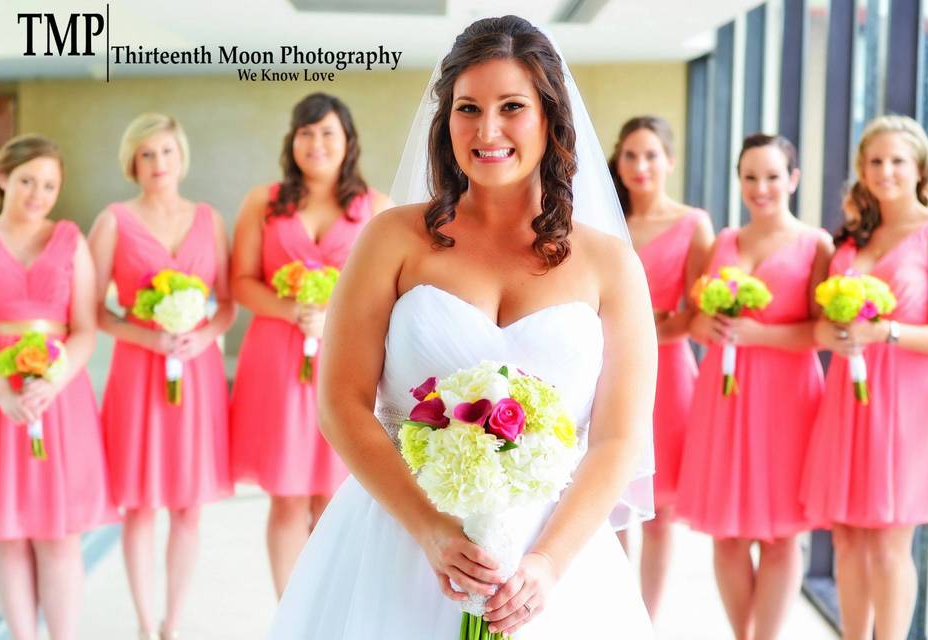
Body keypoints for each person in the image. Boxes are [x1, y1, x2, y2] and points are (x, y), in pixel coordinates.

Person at [267, 15, 657, 639]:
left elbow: (618, 437)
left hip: (551, 561)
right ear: (444, 119)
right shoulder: (391, 239)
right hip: (400, 539)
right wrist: (431, 529)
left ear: (551, 119)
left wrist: (548, 566)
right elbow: (341, 402)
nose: (488, 130)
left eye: (512, 107)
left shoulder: (610, 265)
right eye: (467, 108)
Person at [229, 93, 391, 597]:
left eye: (327, 133)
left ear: (347, 142)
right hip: (276, 357)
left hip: (344, 357)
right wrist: (290, 311)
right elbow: (241, 280)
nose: (316, 143)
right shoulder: (264, 202)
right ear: (292, 141)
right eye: (306, 132)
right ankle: (288, 611)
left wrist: (334, 319)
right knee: (285, 494)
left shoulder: (376, 207)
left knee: (332, 493)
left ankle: (326, 608)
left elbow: (386, 291)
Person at [676, 134, 831, 640]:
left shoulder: (816, 244)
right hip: (724, 397)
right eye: (750, 177)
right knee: (727, 535)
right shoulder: (722, 242)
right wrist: (710, 328)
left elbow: (821, 330)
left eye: (771, 176)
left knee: (783, 535)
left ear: (793, 178)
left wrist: (761, 333)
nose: (760, 188)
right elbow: (695, 321)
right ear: (739, 180)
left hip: (788, 397)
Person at [88, 113, 236, 640]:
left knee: (188, 506)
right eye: (147, 154)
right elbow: (94, 312)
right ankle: (144, 623)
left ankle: (174, 621)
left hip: (196, 376)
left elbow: (227, 306)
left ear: (181, 157)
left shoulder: (208, 219)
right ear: (133, 162)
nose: (158, 164)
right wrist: (149, 337)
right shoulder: (112, 221)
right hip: (137, 372)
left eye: (166, 152)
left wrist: (202, 336)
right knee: (140, 506)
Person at [801, 115, 928, 640]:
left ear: (920, 169)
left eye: (897, 161)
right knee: (846, 539)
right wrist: (833, 334)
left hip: (909, 405)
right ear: (862, 170)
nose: (886, 171)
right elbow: (817, 329)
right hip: (847, 396)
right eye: (876, 161)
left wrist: (888, 333)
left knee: (888, 542)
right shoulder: (851, 238)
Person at [0, 134, 114, 640]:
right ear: (2, 180)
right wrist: (3, 391)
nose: (37, 193)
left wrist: (53, 381)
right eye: (27, 181)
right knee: (10, 535)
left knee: (60, 535)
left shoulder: (70, 240)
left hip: (61, 401)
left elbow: (85, 326)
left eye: (48, 185)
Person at [607, 115, 713, 619]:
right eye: (630, 155)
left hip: (670, 375)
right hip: (608, 371)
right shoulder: (601, 218)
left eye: (651, 155)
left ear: (669, 160)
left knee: (662, 508)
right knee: (611, 493)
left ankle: (649, 617)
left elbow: (696, 315)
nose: (640, 165)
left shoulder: (694, 224)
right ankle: (616, 609)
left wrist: (646, 332)